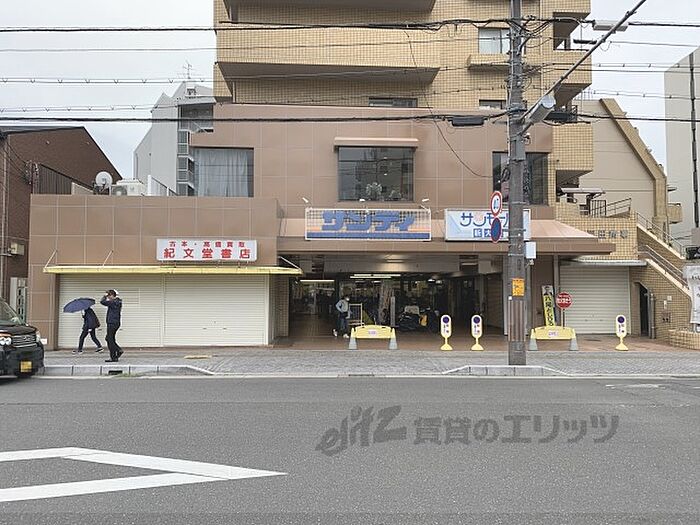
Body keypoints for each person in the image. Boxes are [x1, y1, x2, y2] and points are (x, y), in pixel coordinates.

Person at [100, 289, 123, 362]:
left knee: (109, 339)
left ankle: (116, 353)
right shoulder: (117, 301)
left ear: (112, 295)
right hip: (115, 323)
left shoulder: (113, 302)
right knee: (110, 339)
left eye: (109, 296)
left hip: (112, 323)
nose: (108, 298)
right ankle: (116, 354)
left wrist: (104, 296)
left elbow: (102, 302)